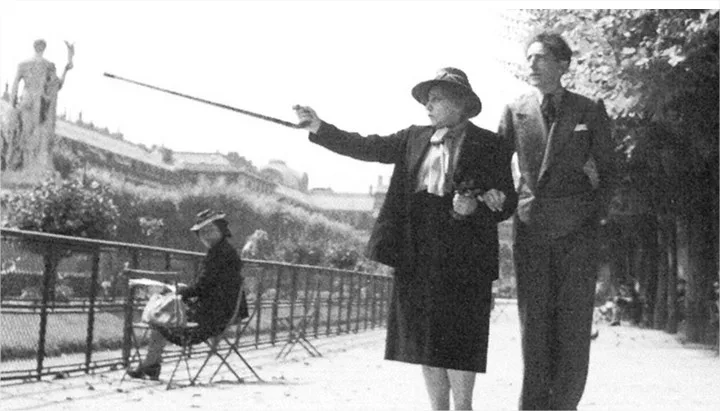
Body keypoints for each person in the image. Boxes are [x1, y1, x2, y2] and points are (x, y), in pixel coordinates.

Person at [294, 67, 517, 410]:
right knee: (425, 342)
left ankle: (464, 407)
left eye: (436, 99)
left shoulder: (489, 144)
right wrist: (320, 128)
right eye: (427, 100)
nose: (428, 106)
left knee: (459, 339)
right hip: (417, 252)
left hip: (465, 257)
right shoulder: (413, 137)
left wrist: (477, 207)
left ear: (460, 104)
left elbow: (506, 201)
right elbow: (366, 146)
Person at [498, 31, 618, 410]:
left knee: (573, 325)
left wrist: (590, 216)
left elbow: (609, 170)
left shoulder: (588, 109)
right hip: (531, 229)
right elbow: (498, 168)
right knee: (533, 326)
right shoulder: (514, 110)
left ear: (563, 65)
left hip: (576, 232)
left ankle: (564, 405)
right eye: (528, 57)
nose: (531, 64)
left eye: (541, 58)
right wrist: (509, 203)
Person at [128, 209, 248, 379]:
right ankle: (151, 364)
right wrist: (182, 291)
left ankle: (151, 364)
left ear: (221, 230)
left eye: (210, 230)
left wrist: (178, 292)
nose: (206, 235)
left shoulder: (219, 254)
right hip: (219, 311)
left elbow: (202, 287)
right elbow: (207, 286)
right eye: (203, 232)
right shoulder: (223, 251)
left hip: (212, 317)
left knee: (160, 316)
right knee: (164, 314)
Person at [8, 39, 74, 170]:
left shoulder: (23, 64)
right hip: (39, 103)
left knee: (23, 134)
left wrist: (12, 103)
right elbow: (57, 86)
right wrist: (67, 68)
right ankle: (25, 167)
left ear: (34, 47)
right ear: (44, 48)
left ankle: (19, 166)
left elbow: (15, 85)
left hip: (26, 100)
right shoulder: (49, 65)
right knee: (33, 136)